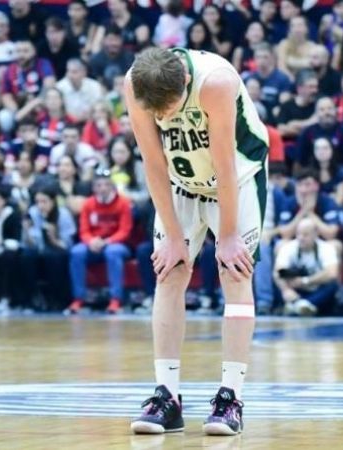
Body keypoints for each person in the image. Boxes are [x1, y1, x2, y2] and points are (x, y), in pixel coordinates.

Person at [126, 47, 269, 436]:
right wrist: (173, 237)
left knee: (234, 272)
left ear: (185, 82)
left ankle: (230, 398)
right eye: (156, 112)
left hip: (237, 179)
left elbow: (224, 164)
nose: (162, 118)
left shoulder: (215, 82)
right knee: (169, 271)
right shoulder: (136, 83)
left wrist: (228, 236)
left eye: (168, 110)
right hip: (181, 183)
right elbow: (154, 163)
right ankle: (167, 397)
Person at [66, 171, 133, 314]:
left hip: (116, 244)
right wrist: (91, 241)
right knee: (76, 252)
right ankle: (78, 298)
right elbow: (84, 230)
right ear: (94, 188)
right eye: (99, 185)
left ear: (112, 186)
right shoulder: (88, 204)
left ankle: (116, 299)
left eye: (106, 184)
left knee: (112, 252)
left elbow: (124, 231)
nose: (103, 188)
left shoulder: (123, 203)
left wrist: (107, 241)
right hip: (93, 244)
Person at [20, 187, 76, 311]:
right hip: (39, 249)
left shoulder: (63, 214)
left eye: (44, 201)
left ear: (53, 201)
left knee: (53, 256)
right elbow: (29, 243)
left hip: (58, 249)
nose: (40, 205)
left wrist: (54, 238)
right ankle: (32, 298)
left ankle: (57, 299)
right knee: (26, 256)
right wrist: (26, 231)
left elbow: (68, 245)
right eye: (37, 202)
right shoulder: (33, 213)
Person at [273, 216, 340, 317]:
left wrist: (306, 281)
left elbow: (332, 273)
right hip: (294, 291)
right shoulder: (288, 248)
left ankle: (301, 305)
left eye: (305, 235)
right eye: (298, 234)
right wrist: (286, 290)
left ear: (315, 234)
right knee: (278, 281)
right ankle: (302, 306)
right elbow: (278, 272)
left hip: (315, 290)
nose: (301, 238)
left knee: (332, 285)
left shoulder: (326, 248)